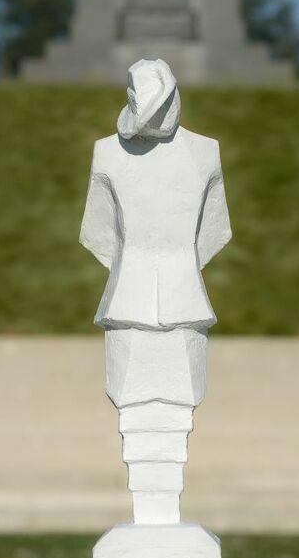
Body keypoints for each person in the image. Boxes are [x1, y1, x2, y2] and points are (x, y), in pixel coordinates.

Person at [78, 58, 231, 523]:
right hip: (129, 303)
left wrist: (174, 267)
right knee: (136, 418)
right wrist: (142, 267)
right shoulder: (107, 154)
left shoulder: (206, 152)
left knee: (176, 416)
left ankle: (163, 514)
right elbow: (98, 232)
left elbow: (215, 231)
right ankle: (150, 515)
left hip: (183, 304)